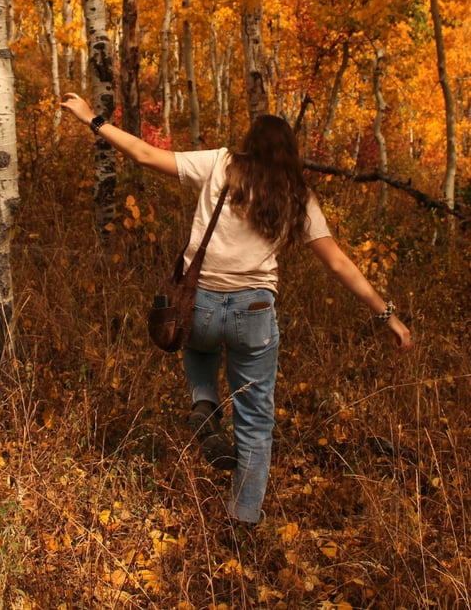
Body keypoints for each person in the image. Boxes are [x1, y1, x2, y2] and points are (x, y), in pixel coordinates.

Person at [61, 93, 413, 526]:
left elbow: (146, 154)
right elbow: (339, 263)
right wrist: (387, 315)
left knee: (198, 341)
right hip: (255, 312)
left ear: (250, 142)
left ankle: (204, 403)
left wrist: (91, 119)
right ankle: (244, 518)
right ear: (289, 152)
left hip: (202, 302)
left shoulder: (222, 163)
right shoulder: (297, 195)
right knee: (255, 418)